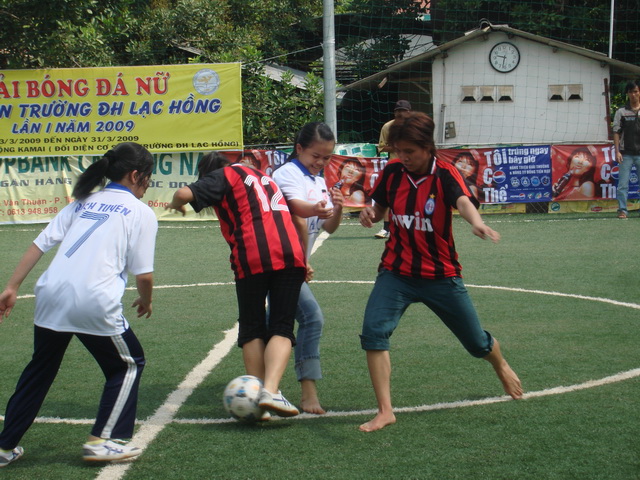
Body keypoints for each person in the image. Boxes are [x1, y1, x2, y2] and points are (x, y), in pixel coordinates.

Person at [358, 112, 523, 433]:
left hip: (441, 276)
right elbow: (378, 208)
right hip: (396, 272)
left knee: (477, 344)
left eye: (410, 151)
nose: (403, 157)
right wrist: (370, 214)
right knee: (373, 332)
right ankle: (385, 411)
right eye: (398, 151)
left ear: (428, 147)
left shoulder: (445, 173)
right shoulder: (392, 172)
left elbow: (463, 200)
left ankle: (500, 363)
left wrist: (476, 222)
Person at [0, 142, 157, 467]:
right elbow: (144, 275)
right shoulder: (141, 212)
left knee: (40, 370)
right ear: (135, 175)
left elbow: (40, 244)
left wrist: (12, 287)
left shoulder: (83, 201)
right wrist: (146, 300)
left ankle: (3, 447)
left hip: (50, 295)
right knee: (128, 364)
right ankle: (102, 440)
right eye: (148, 177)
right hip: (93, 300)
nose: (148, 184)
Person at [167, 152, 306, 418]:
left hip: (254, 253)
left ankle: (258, 394)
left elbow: (183, 193)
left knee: (252, 326)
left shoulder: (225, 175)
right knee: (282, 325)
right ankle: (271, 392)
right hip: (291, 252)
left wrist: (176, 204)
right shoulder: (264, 176)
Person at [272, 122, 344, 414]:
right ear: (299, 148)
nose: (321, 162)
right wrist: (302, 262)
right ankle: (308, 393)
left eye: (327, 157)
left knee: (271, 325)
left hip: (293, 263)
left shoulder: (317, 179)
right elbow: (296, 213)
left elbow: (328, 227)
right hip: (280, 262)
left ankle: (264, 384)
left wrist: (338, 208)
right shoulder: (286, 174)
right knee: (312, 318)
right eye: (316, 155)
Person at [375, 99, 412, 238]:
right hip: (395, 166)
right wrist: (398, 147)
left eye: (403, 111)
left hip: (413, 166)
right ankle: (386, 228)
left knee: (413, 197)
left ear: (409, 112)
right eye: (398, 111)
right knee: (389, 197)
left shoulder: (416, 126)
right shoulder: (387, 127)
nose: (400, 113)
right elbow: (382, 147)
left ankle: (411, 227)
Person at [613, 80, 640, 219]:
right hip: (625, 154)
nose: (633, 94)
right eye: (630, 92)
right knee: (623, 184)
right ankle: (622, 210)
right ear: (627, 94)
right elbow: (616, 132)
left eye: (636, 91)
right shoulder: (621, 112)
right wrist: (617, 151)